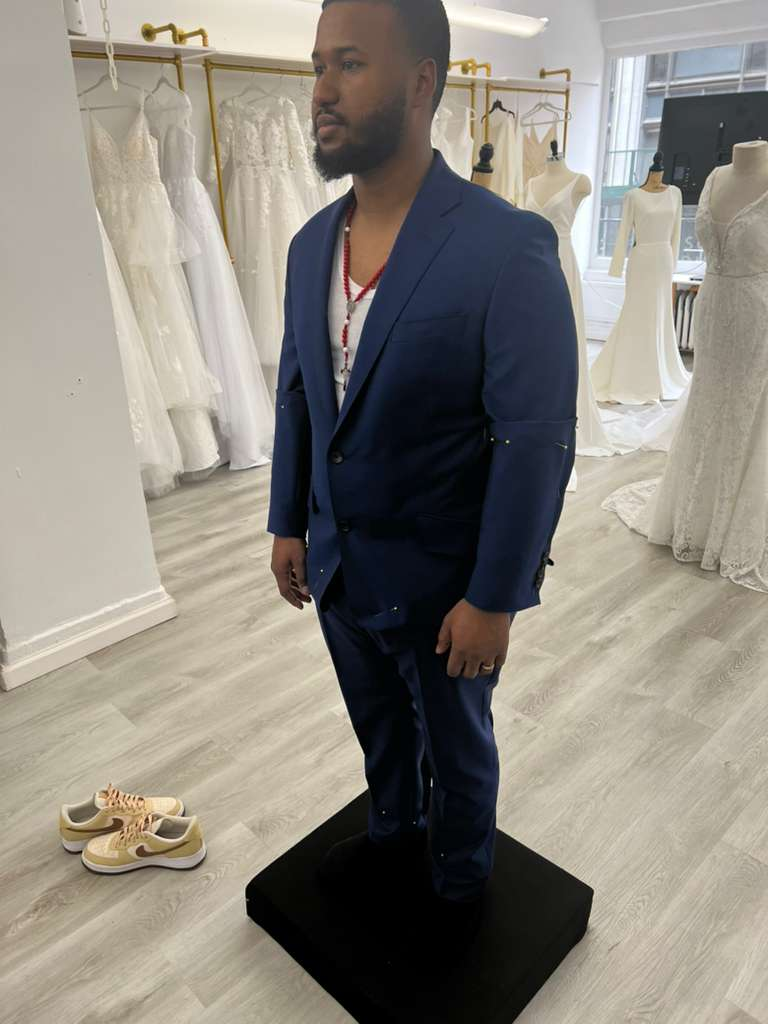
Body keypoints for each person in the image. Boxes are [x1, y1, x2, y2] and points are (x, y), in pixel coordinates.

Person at [267, 0, 578, 969]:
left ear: (420, 83)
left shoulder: (505, 246)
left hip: (447, 589)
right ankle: (393, 830)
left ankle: (458, 878)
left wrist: (496, 597)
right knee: (376, 724)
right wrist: (287, 521)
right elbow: (299, 393)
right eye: (317, 65)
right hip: (338, 565)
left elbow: (535, 440)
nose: (321, 90)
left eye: (349, 64)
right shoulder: (309, 246)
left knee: (456, 744)